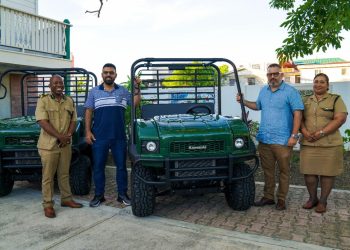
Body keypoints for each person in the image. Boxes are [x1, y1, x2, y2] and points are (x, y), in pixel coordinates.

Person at [236, 63, 304, 210]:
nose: (272, 76)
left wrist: (294, 135)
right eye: (269, 74)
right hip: (265, 139)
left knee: (284, 171)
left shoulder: (290, 91)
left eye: (275, 74)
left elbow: (298, 113)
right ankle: (268, 197)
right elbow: (258, 106)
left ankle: (281, 199)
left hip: (283, 140)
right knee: (268, 170)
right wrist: (244, 101)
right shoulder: (264, 91)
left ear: (281, 75)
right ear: (267, 76)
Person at [85, 63, 141, 207]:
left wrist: (137, 88)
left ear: (115, 75)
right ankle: (99, 195)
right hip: (99, 137)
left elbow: (134, 104)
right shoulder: (94, 92)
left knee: (121, 167)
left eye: (111, 72)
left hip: (119, 137)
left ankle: (122, 195)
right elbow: (89, 111)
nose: (108, 74)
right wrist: (87, 131)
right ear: (102, 74)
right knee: (98, 167)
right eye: (106, 72)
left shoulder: (122, 91)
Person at [35, 75, 83, 218]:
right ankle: (48, 205)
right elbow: (42, 121)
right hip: (48, 145)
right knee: (48, 177)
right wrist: (59, 136)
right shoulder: (43, 100)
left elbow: (73, 120)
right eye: (55, 83)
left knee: (64, 174)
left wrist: (67, 135)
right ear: (50, 85)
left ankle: (66, 199)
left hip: (65, 145)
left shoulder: (69, 100)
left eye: (61, 83)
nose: (59, 85)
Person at [300, 73, 348, 213]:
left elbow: (340, 119)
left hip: (329, 144)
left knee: (327, 174)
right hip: (309, 143)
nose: (318, 84)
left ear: (327, 85)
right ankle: (312, 198)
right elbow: (298, 118)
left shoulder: (335, 99)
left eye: (322, 82)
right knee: (309, 174)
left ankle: (323, 201)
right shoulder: (305, 100)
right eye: (316, 82)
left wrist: (321, 133)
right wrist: (304, 131)